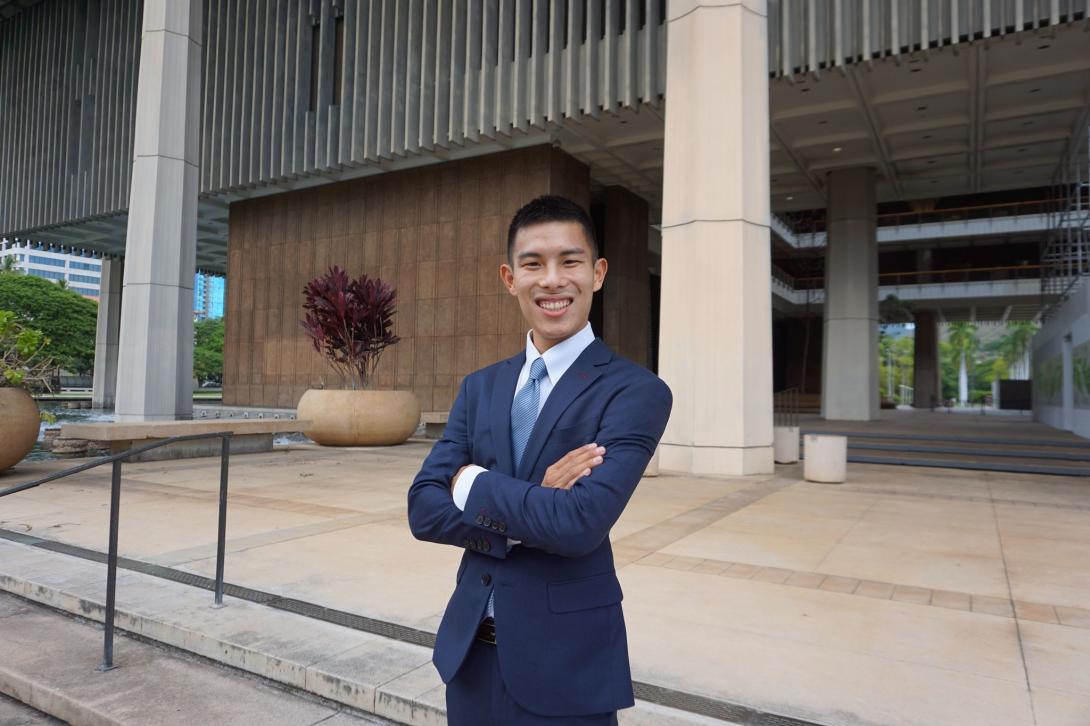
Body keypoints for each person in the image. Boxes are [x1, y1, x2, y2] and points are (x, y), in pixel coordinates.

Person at [407, 195, 673, 725]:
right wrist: (533, 504)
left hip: (566, 664)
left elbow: (579, 524)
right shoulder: (480, 387)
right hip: (470, 655)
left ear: (597, 273)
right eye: (533, 264)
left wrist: (472, 482)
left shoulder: (635, 392)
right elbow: (422, 510)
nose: (552, 280)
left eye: (569, 261)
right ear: (511, 278)